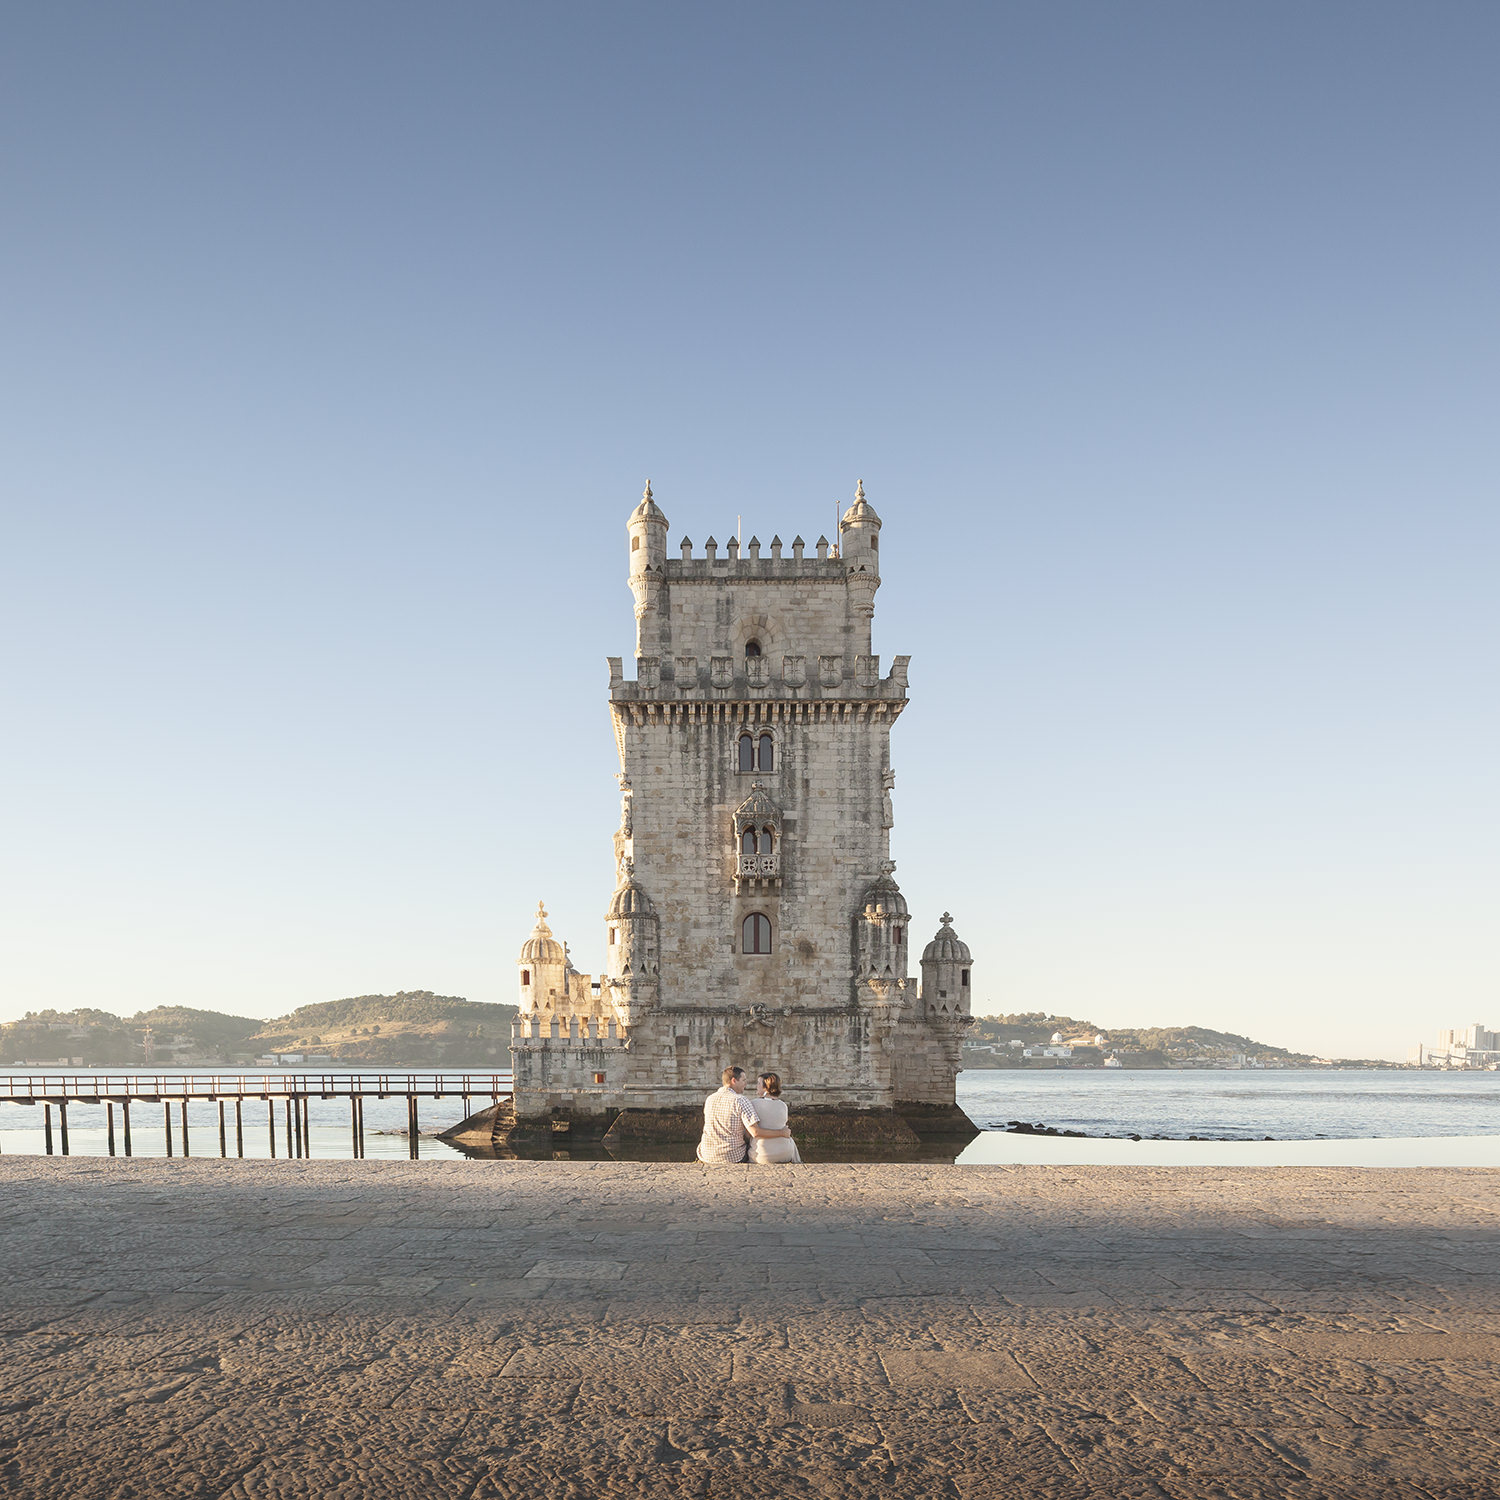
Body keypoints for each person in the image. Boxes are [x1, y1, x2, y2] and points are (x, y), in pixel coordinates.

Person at [696, 1065, 792, 1163]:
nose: (745, 1084)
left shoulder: (710, 1099)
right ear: (734, 1081)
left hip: (706, 1154)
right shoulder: (741, 1100)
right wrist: (782, 1133)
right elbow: (755, 1132)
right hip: (732, 1157)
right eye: (743, 1080)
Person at [747, 1073, 801, 1164]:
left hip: (762, 1156)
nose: (756, 1086)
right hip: (785, 1153)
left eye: (758, 1083)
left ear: (766, 1087)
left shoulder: (753, 1104)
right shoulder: (783, 1105)